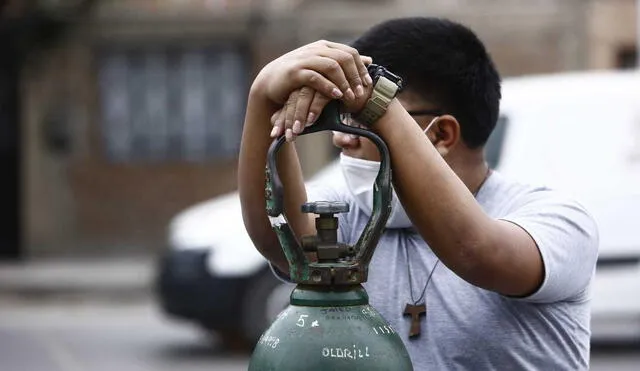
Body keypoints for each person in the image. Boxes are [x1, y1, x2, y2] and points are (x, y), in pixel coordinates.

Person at [238, 17, 598, 370]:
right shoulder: (352, 212)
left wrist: (378, 102)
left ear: (441, 134)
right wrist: (265, 101)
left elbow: (477, 253)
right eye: (343, 119)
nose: (341, 137)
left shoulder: (555, 220)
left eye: (360, 120)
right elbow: (281, 239)